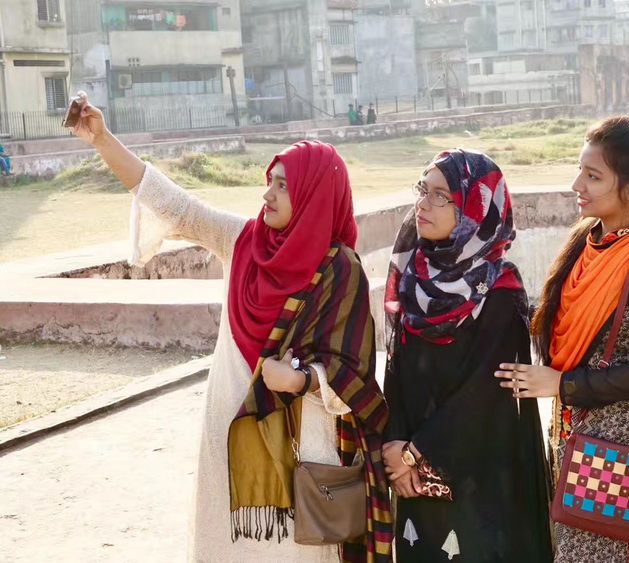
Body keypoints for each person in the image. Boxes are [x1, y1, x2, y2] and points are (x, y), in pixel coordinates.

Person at [67, 91, 392, 563]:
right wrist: (102, 140)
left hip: (302, 458)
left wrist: (301, 380)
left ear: (314, 194)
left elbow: (356, 375)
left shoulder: (340, 271)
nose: (267, 194)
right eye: (269, 181)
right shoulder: (243, 241)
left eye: (283, 185)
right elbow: (172, 203)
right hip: (226, 438)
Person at [495, 116, 629, 562]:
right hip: (575, 442)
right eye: (580, 171)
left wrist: (562, 384)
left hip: (621, 458)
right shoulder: (587, 244)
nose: (577, 185)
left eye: (593, 176)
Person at [382, 149, 552, 562]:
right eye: (422, 190)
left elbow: (486, 392)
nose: (423, 204)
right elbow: (395, 369)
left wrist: (414, 452)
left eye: (441, 195)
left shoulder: (499, 292)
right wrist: (394, 448)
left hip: (477, 478)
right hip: (413, 480)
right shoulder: (411, 275)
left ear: (476, 210)